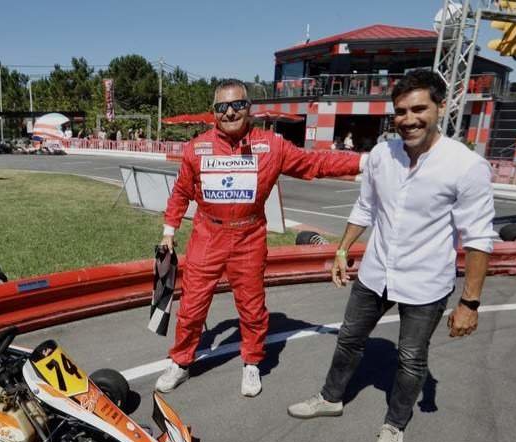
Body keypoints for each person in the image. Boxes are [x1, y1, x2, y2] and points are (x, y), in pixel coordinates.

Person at [287, 70, 497, 442]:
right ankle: (330, 398)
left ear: (441, 107)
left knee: (411, 358)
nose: (409, 119)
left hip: (426, 283)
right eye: (400, 111)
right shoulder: (383, 155)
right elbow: (366, 207)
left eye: (419, 109)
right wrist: (341, 249)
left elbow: (478, 238)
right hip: (375, 272)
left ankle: (395, 425)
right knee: (349, 339)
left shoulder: (466, 166)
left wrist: (470, 303)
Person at [155, 79, 364, 397]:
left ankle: (252, 362)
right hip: (207, 235)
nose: (230, 112)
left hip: (249, 236)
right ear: (214, 112)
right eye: (222, 107)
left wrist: (362, 161)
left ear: (248, 108)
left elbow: (314, 163)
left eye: (237, 105)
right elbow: (181, 193)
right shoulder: (196, 148)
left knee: (252, 308)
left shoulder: (272, 145)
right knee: (193, 306)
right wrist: (169, 231)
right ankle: (181, 362)